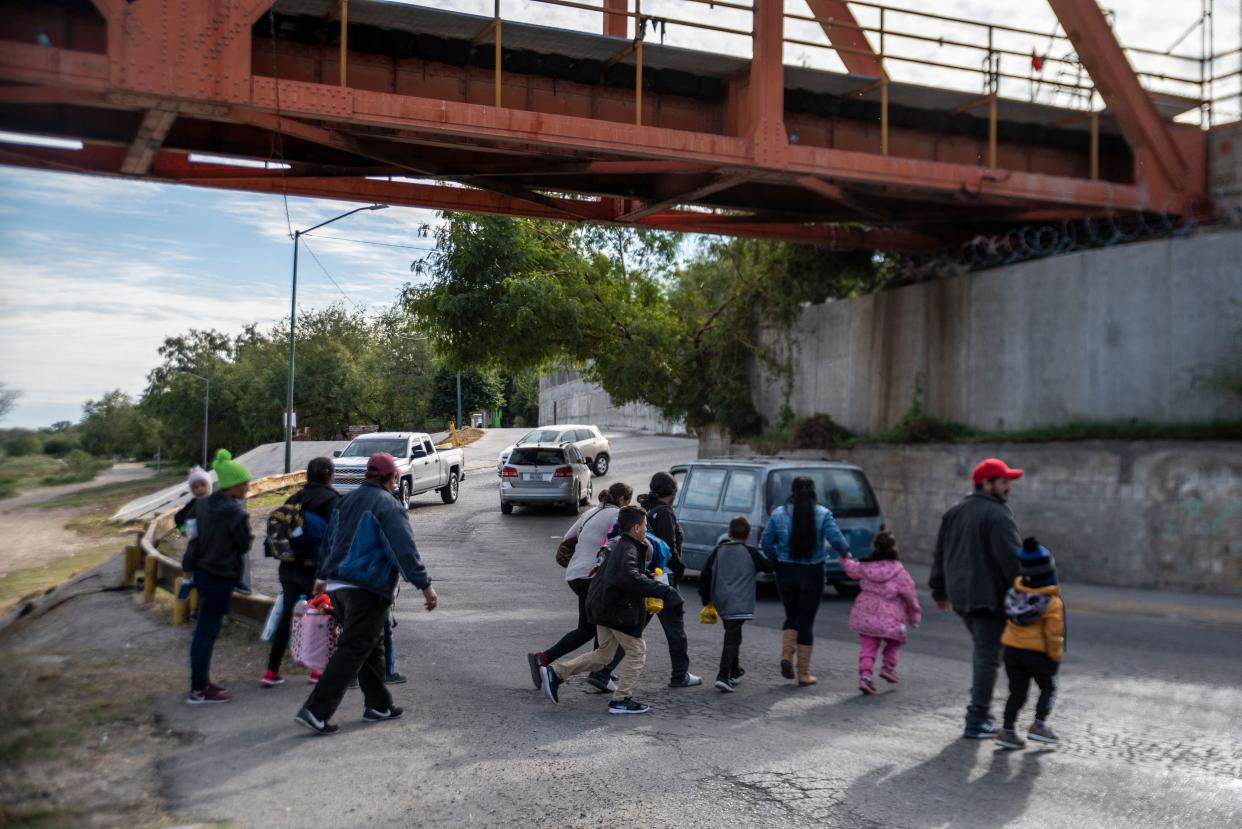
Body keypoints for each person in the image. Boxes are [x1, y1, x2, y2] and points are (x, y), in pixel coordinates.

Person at [295, 453, 438, 735]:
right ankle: (316, 710)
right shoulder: (388, 505)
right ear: (390, 478)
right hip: (367, 587)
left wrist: (322, 577)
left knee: (371, 645)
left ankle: (378, 704)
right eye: (395, 478)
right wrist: (426, 586)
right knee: (353, 648)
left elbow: (330, 541)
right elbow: (403, 549)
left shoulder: (345, 500)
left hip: (339, 587)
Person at [540, 505, 679, 715]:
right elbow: (629, 577)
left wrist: (647, 578)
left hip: (603, 606)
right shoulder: (628, 548)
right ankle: (622, 699)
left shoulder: (619, 544)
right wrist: (664, 591)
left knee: (604, 655)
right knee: (637, 651)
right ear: (635, 528)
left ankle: (557, 673)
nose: (646, 528)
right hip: (617, 611)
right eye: (644, 525)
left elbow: (624, 575)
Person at [930, 457, 1024, 739]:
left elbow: (940, 553)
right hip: (987, 597)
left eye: (1009, 482)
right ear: (986, 483)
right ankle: (977, 717)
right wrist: (1031, 590)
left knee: (987, 652)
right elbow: (1011, 561)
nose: (1008, 487)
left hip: (963, 596)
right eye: (1003, 481)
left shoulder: (956, 511)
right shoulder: (997, 515)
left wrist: (940, 589)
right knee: (988, 655)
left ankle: (980, 707)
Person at [528, 482, 633, 694]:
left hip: (576, 574)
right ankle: (594, 672)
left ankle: (594, 669)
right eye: (628, 502)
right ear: (623, 500)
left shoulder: (592, 512)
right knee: (610, 626)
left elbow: (568, 538)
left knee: (593, 627)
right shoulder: (618, 516)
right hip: (593, 577)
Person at [761, 476, 851, 686]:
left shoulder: (778, 514)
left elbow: (766, 542)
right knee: (806, 621)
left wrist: (775, 557)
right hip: (813, 573)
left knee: (791, 615)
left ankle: (786, 656)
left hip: (785, 571)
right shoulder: (823, 514)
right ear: (813, 492)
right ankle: (803, 673)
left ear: (791, 491)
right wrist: (846, 553)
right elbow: (837, 539)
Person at [181, 449, 252, 704]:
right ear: (233, 485)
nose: (248, 487)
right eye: (244, 483)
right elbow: (244, 546)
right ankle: (199, 689)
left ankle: (201, 683)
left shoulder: (200, 504)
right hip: (221, 575)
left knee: (204, 630)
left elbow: (192, 537)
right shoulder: (236, 513)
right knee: (206, 632)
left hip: (202, 573)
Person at [262, 456, 338, 687]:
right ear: (328, 474)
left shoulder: (296, 497)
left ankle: (271, 670)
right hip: (314, 570)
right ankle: (316, 669)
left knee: (288, 614)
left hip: (288, 567)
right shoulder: (331, 499)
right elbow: (334, 538)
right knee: (321, 615)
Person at [995, 537, 1065, 750]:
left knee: (1017, 692)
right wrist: (1055, 656)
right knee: (1048, 687)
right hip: (1038, 654)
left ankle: (1007, 730)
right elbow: (1054, 634)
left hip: (1012, 652)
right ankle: (1039, 725)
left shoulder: (1014, 593)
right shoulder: (1051, 602)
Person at [637, 472, 700, 688]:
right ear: (672, 492)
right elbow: (669, 548)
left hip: (648, 576)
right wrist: (680, 570)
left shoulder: (647, 509)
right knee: (675, 628)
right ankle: (680, 674)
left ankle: (603, 670)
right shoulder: (664, 513)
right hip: (663, 578)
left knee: (636, 627)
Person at [839, 530, 922, 695]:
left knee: (868, 648)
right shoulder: (899, 572)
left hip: (866, 612)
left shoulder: (865, 566)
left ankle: (865, 677)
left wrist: (844, 556)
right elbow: (910, 595)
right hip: (890, 616)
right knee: (895, 640)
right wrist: (914, 616)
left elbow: (850, 568)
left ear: (874, 547)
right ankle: (888, 667)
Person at [697, 516, 773, 692]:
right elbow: (769, 567)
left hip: (721, 600)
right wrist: (776, 553)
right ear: (748, 535)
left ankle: (734, 670)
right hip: (740, 602)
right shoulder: (751, 552)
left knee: (733, 633)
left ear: (729, 532)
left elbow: (705, 576)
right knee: (732, 636)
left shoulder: (718, 550)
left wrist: (706, 598)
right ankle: (723, 675)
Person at [174, 465, 212, 535]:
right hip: (197, 538)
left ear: (209, 486)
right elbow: (178, 517)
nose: (200, 489)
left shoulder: (215, 501)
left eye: (203, 485)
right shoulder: (192, 504)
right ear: (192, 490)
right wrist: (183, 530)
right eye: (195, 487)